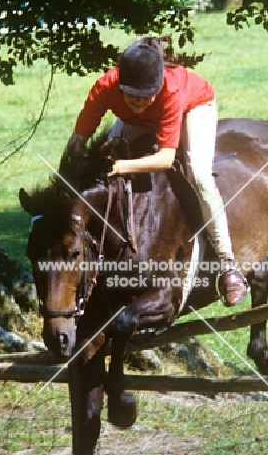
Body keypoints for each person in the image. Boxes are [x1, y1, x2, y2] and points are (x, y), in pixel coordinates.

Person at [60, 37, 248, 306]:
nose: (139, 101)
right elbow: (77, 141)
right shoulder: (104, 87)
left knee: (199, 175)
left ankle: (229, 266)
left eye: (146, 95)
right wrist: (66, 181)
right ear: (119, 84)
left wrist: (122, 167)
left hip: (194, 107)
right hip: (139, 122)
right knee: (103, 161)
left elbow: (165, 158)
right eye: (132, 95)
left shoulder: (170, 91)